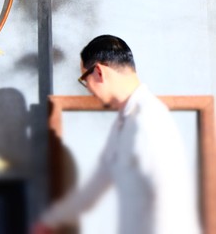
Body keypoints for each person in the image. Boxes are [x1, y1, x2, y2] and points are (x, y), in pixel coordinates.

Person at [32, 35, 201, 234]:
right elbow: (96, 184)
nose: (88, 90)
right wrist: (49, 221)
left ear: (98, 72)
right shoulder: (124, 121)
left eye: (84, 80)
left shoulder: (149, 120)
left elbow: (169, 202)